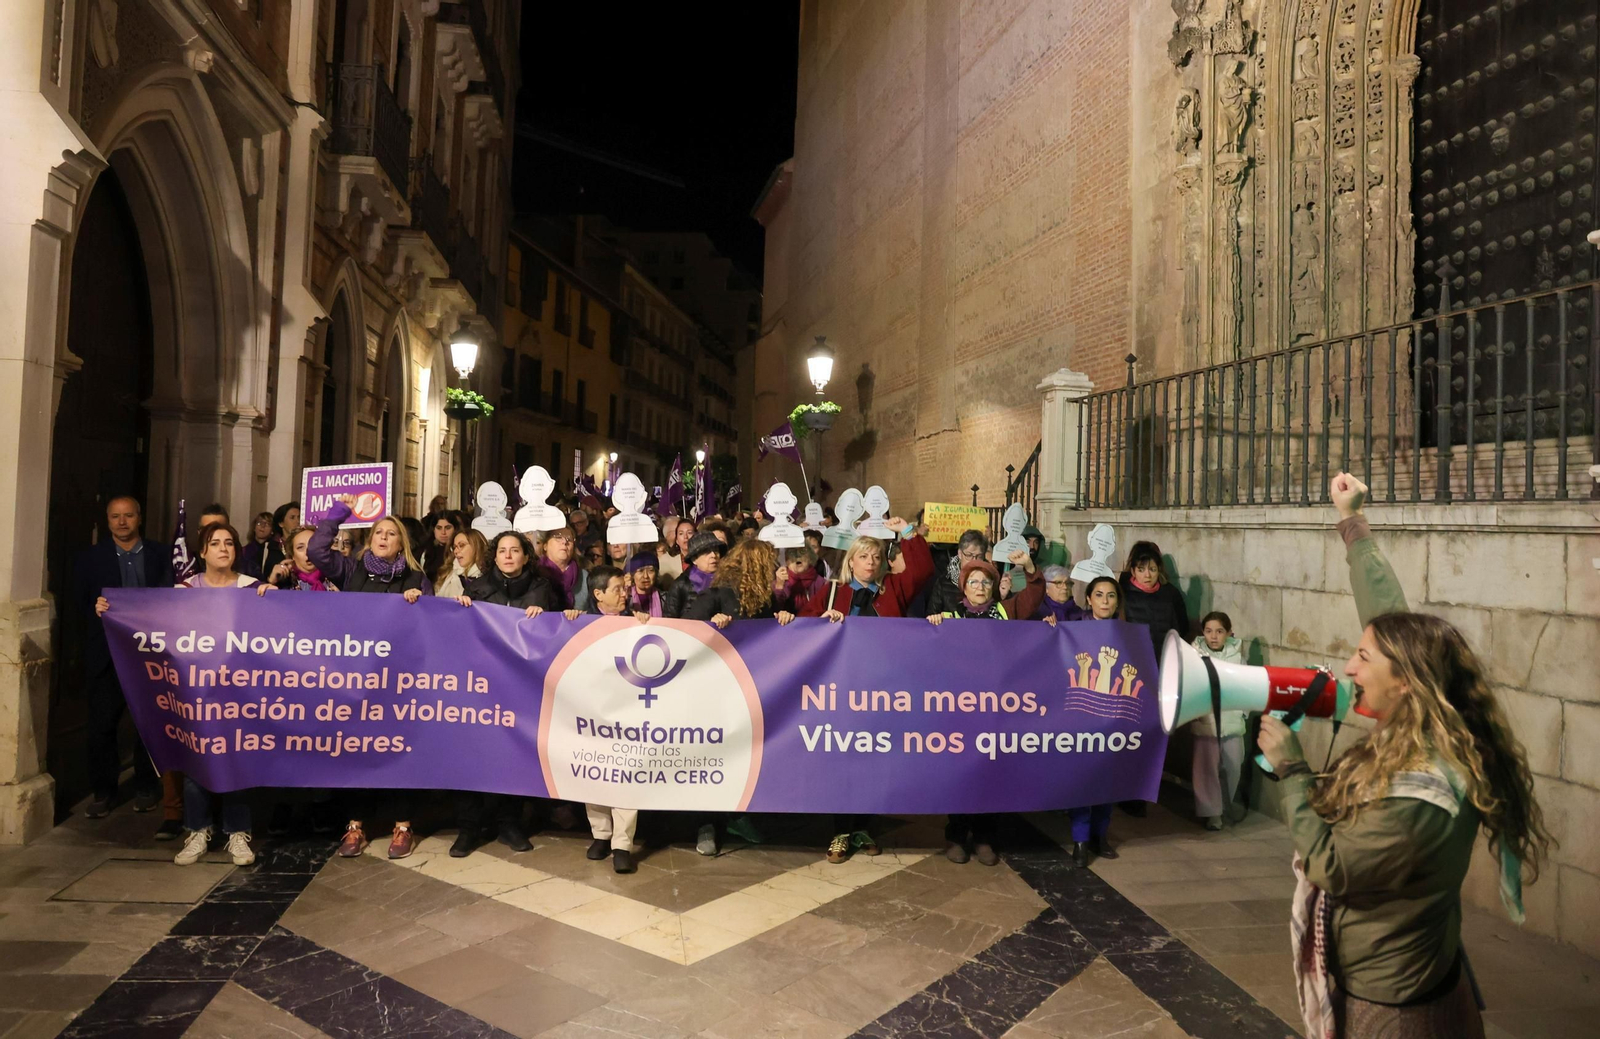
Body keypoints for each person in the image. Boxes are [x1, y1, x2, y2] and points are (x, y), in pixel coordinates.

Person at [1259, 473, 1551, 1039]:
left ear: (1405, 683)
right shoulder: (1433, 713)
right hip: (1398, 982)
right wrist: (1352, 521)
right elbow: (1392, 618)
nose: (1349, 667)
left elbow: (1334, 866)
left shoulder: (1425, 786)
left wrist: (1293, 770)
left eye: (1363, 657)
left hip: (1394, 1012)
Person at [308, 496, 431, 859]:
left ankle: (403, 825)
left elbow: (429, 630)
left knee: (397, 751)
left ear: (401, 543)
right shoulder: (351, 571)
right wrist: (339, 513)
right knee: (356, 750)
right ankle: (355, 825)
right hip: (356, 680)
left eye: (391, 533)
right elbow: (317, 550)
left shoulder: (416, 578)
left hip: (399, 682)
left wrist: (419, 603)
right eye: (379, 531)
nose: (383, 536)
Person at [801, 519, 932, 863]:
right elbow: (800, 628)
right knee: (844, 760)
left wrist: (907, 533)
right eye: (864, 557)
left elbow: (922, 569)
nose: (871, 562)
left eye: (875, 557)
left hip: (883, 690)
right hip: (843, 691)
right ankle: (841, 830)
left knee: (875, 760)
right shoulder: (833, 592)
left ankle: (862, 825)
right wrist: (820, 623)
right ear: (852, 561)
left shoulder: (893, 591)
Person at [685, 540, 796, 858]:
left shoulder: (763, 600)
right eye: (769, 563)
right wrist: (710, 626)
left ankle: (736, 815)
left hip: (749, 692)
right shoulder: (716, 595)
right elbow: (686, 632)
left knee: (740, 757)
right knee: (710, 759)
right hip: (713, 693)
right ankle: (706, 823)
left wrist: (786, 616)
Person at [449, 531, 558, 856]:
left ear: (526, 556)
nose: (508, 556)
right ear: (493, 557)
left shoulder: (543, 591)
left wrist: (552, 619)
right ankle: (468, 828)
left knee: (512, 757)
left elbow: (559, 632)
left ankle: (509, 824)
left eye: (515, 550)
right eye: (502, 551)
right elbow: (460, 638)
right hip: (481, 688)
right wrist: (460, 611)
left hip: (520, 689)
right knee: (471, 756)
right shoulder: (477, 591)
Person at [74, 496, 175, 828]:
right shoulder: (91, 558)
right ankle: (103, 791)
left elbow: (171, 599)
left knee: (147, 725)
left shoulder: (161, 555)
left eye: (128, 516)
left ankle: (147, 786)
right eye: (115, 517)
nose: (122, 522)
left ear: (139, 518)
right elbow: (79, 603)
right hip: (106, 654)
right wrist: (95, 607)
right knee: (102, 726)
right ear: (107, 520)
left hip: (149, 655)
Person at [170, 522, 264, 866]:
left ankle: (238, 833)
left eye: (229, 543)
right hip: (198, 688)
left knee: (236, 757)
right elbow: (154, 621)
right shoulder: (184, 589)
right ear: (203, 552)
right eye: (215, 543)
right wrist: (114, 607)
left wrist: (273, 599)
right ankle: (197, 830)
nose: (223, 548)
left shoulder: (252, 588)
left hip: (240, 690)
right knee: (198, 758)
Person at [925, 557, 1012, 866]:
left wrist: (1048, 625)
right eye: (973, 582)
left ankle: (986, 837)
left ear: (993, 588)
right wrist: (934, 626)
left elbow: (1034, 601)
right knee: (960, 773)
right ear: (964, 587)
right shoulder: (950, 616)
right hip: (958, 708)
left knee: (992, 771)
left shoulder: (1004, 612)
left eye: (986, 582)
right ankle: (958, 835)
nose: (980, 587)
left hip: (995, 707)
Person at [563, 564, 647, 872]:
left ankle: (622, 844)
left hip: (627, 711)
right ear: (598, 594)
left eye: (625, 588)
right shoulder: (582, 622)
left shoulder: (636, 621)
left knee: (626, 774)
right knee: (594, 771)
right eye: (617, 589)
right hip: (592, 710)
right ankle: (600, 834)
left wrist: (645, 624)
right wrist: (569, 621)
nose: (625, 593)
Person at [259, 525, 340, 835]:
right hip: (288, 680)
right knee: (287, 745)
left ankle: (321, 805)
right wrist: (268, 586)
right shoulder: (282, 586)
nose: (307, 554)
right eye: (300, 548)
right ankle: (286, 805)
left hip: (326, 679)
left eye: (312, 547)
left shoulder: (336, 584)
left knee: (322, 745)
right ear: (290, 554)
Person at [1066, 575, 1125, 867]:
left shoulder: (1128, 635)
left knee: (1107, 778)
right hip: (1079, 716)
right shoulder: (1073, 628)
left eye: (1111, 596)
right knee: (1081, 778)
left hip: (1113, 715)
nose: (1105, 601)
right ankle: (1080, 840)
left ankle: (1100, 836)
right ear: (1088, 599)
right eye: (1099, 595)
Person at [1191, 611, 1247, 831]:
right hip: (1206, 721)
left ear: (1229, 633)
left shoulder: (1238, 656)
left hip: (1232, 719)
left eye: (1219, 631)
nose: (1213, 636)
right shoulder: (1195, 655)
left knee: (1233, 765)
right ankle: (1211, 813)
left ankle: (1224, 805)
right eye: (1208, 631)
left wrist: (1243, 713)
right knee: (1206, 769)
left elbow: (1246, 685)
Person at [1119, 540, 1190, 656]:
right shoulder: (1122, 593)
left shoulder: (1170, 594)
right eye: (1141, 569)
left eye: (1152, 569)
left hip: (1165, 658)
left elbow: (1182, 627)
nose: (1147, 575)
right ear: (1133, 571)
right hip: (1134, 659)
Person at [661, 531, 725, 618]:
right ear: (694, 559)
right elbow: (669, 620)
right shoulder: (681, 585)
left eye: (716, 551)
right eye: (706, 552)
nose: (713, 555)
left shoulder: (727, 582)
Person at [926, 529, 990, 616]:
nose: (974, 561)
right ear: (960, 553)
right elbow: (931, 614)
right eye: (969, 555)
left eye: (979, 556)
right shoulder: (944, 582)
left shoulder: (992, 578)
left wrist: (1004, 596)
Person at [537, 527, 590, 611]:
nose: (565, 542)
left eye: (569, 539)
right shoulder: (535, 573)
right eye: (558, 537)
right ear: (545, 546)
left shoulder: (584, 576)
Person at [774, 544, 829, 614]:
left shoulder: (822, 583)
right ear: (786, 561)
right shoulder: (781, 581)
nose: (797, 556)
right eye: (792, 553)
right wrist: (779, 587)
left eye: (802, 552)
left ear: (809, 558)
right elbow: (776, 610)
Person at [436, 529, 490, 600]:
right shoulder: (447, 576)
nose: (456, 551)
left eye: (461, 545)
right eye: (454, 547)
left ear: (477, 546)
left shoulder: (491, 577)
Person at [263, 501, 300, 576]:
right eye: (292, 518)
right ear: (281, 523)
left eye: (299, 517)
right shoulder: (273, 546)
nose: (298, 521)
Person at [624, 552, 663, 616]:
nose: (645, 576)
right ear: (632, 575)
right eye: (640, 571)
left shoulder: (664, 598)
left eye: (650, 571)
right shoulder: (626, 598)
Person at [241, 511, 275, 578]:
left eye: (267, 524)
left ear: (272, 531)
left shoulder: (274, 551)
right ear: (254, 527)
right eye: (259, 523)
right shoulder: (244, 550)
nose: (262, 526)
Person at [658, 517, 692, 583]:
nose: (686, 537)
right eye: (680, 533)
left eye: (689, 532)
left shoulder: (704, 557)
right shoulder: (663, 562)